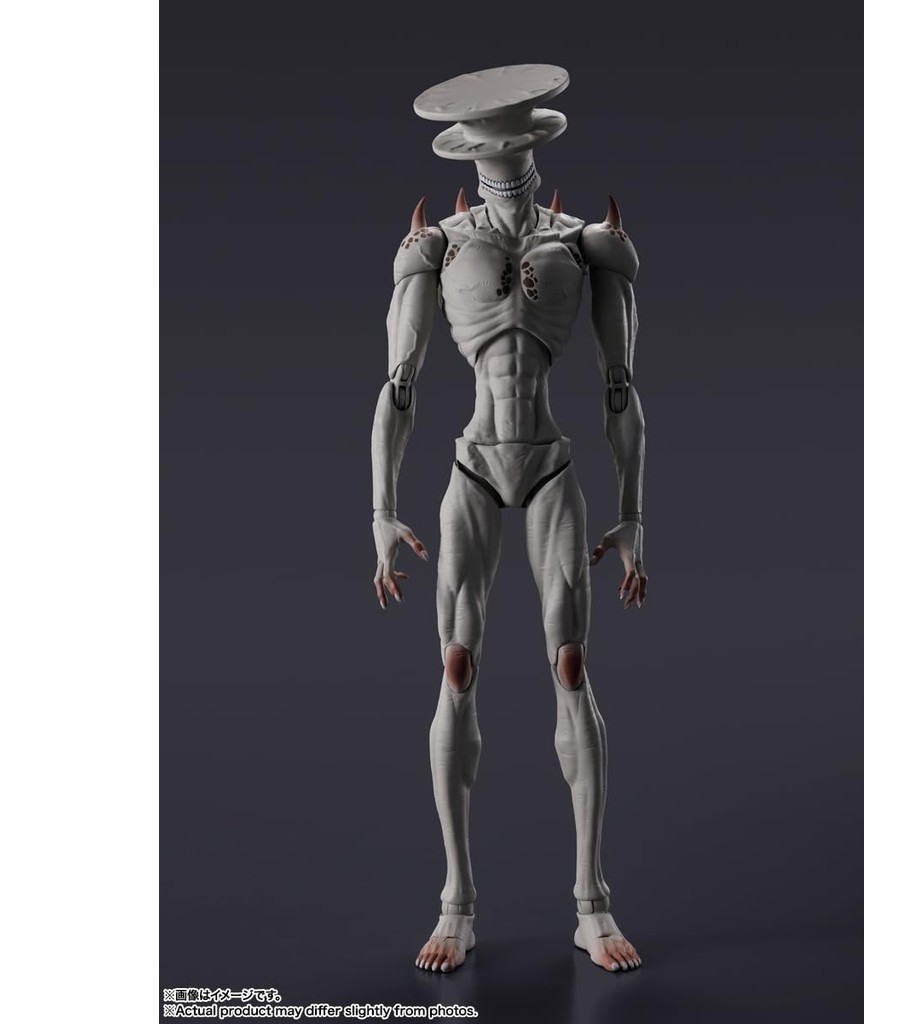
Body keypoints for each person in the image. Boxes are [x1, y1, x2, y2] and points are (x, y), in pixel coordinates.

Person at [370, 65, 647, 973]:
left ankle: (591, 904)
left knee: (571, 663)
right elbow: (399, 384)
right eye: (486, 141)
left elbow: (620, 386)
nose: (500, 156)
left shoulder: (585, 242)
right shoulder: (439, 246)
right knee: (456, 664)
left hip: (551, 461)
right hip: (475, 464)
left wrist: (633, 514)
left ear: (533, 139)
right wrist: (381, 510)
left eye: (511, 138)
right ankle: (456, 902)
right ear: (466, 148)